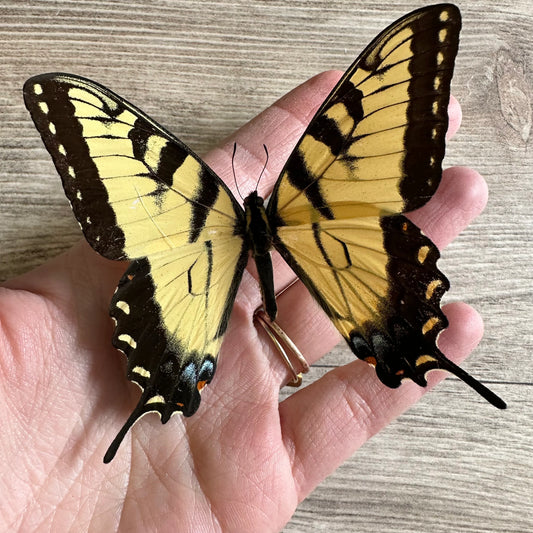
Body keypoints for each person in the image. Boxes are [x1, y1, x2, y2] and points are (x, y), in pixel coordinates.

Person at [0, 70, 486, 531]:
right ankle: (170, 379)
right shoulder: (299, 192)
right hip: (323, 241)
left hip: (201, 262)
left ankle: (398, 336)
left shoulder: (208, 206)